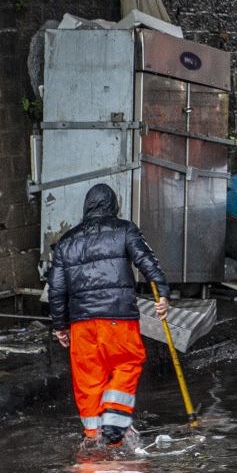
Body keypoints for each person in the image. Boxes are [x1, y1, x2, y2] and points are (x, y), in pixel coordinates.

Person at [48, 183, 168, 446]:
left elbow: (56, 288)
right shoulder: (124, 229)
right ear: (114, 206)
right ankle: (115, 419)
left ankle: (94, 440)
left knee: (89, 379)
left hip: (81, 324)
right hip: (118, 318)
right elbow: (148, 262)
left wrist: (60, 325)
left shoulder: (66, 241)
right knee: (127, 362)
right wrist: (162, 293)